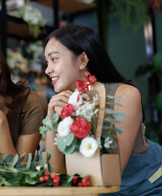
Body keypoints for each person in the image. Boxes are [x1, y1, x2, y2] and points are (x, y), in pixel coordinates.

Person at [43, 24, 162, 195]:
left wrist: (75, 116)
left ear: (82, 60)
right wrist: (52, 120)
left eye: (54, 59)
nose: (48, 70)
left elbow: (111, 174)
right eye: (47, 62)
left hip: (149, 185)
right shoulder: (64, 103)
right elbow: (56, 176)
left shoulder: (125, 95)